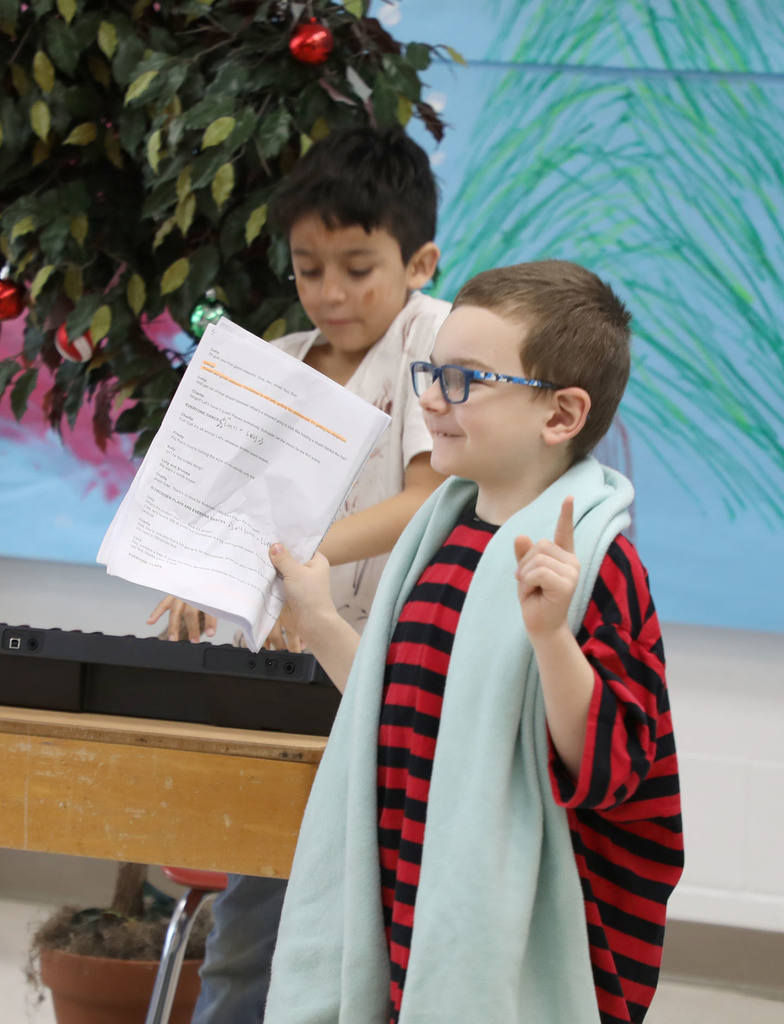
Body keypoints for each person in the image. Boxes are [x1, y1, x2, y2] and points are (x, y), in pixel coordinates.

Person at [264, 260, 684, 1024]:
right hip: (408, 889)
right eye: (431, 372)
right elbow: (396, 709)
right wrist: (320, 619)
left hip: (511, 931)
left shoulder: (594, 563)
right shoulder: (439, 535)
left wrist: (550, 636)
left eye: (462, 381)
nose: (430, 399)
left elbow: (609, 763)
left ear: (560, 415)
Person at [154, 126, 451, 1024]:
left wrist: (299, 561)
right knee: (254, 926)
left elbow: (425, 499)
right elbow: (230, 518)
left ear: (420, 263)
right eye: (309, 268)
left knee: (375, 936)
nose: (331, 293)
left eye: (358, 268)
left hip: (388, 677)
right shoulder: (278, 362)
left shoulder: (435, 341)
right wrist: (198, 574)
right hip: (284, 680)